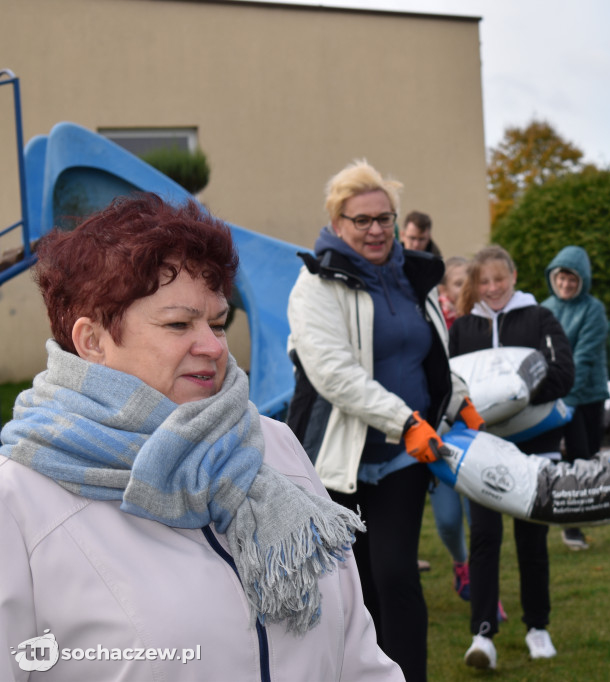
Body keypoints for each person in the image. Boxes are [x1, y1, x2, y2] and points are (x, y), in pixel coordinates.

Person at [0, 193, 402, 681]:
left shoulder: (274, 446)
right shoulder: (19, 501)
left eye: (216, 322)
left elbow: (357, 654)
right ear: (93, 342)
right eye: (178, 323)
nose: (213, 346)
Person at [285, 160, 475, 682]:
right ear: (337, 221)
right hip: (339, 460)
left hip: (399, 458)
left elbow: (426, 355)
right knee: (352, 585)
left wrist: (459, 399)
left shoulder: (413, 279)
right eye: (361, 220)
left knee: (396, 575)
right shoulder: (315, 284)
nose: (375, 230)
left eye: (384, 218)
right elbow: (334, 374)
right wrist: (405, 420)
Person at [449, 245, 574, 670]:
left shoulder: (540, 318)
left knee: (532, 538)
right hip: (482, 449)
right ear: (474, 285)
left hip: (534, 445)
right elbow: (449, 384)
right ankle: (482, 633)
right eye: (484, 282)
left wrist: (515, 397)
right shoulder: (463, 327)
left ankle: (538, 626)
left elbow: (562, 373)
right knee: (484, 537)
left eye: (499, 279)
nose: (493, 288)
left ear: (515, 276)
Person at [541, 245, 610, 551]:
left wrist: (566, 401)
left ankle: (583, 519)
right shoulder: (544, 310)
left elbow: (583, 360)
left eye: (572, 280)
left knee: (584, 457)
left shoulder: (593, 310)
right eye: (561, 279)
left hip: (585, 397)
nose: (566, 285)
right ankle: (567, 522)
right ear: (553, 278)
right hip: (556, 397)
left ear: (582, 281)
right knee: (558, 461)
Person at [431, 254, 473, 598]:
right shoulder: (433, 324)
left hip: (476, 431)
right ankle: (461, 563)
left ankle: (485, 585)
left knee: (482, 518)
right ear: (444, 289)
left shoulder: (481, 323)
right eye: (459, 283)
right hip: (441, 433)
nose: (466, 291)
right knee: (446, 518)